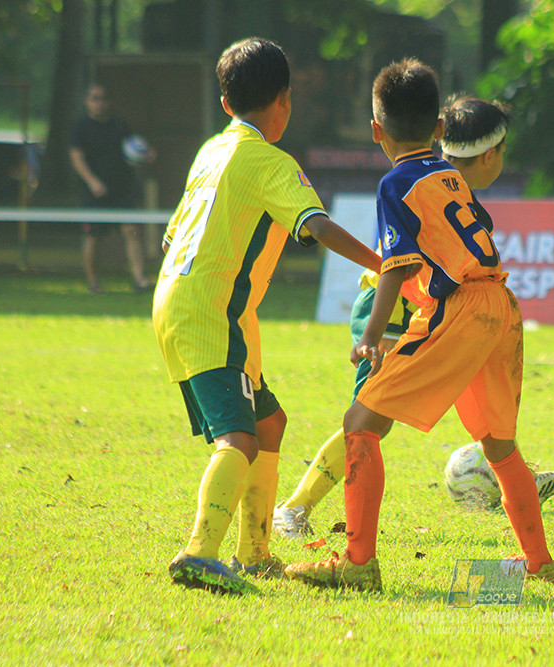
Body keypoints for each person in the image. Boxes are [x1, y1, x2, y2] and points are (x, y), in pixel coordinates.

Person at [284, 60, 554, 592]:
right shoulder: (451, 174)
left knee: (360, 421)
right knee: (500, 447)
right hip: (500, 303)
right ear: (440, 128)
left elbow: (399, 262)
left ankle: (358, 563)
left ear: (375, 131)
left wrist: (371, 335)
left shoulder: (395, 183)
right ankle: (539, 562)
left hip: (456, 309)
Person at [152, 37, 382, 596]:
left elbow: (171, 235)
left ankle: (254, 554)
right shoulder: (270, 161)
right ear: (284, 100)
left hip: (185, 300)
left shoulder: (210, 151)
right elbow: (318, 224)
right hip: (214, 312)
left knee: (268, 424)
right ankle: (199, 553)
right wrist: (386, 264)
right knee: (238, 438)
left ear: (226, 103)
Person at [70, 83, 156, 295]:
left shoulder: (119, 124)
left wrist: (146, 155)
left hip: (123, 190)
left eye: (103, 98)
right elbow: (76, 157)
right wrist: (92, 181)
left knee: (131, 231)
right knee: (93, 237)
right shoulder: (81, 127)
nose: (100, 103)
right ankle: (93, 284)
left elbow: (133, 149)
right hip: (95, 193)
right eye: (94, 98)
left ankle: (139, 280)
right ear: (87, 102)